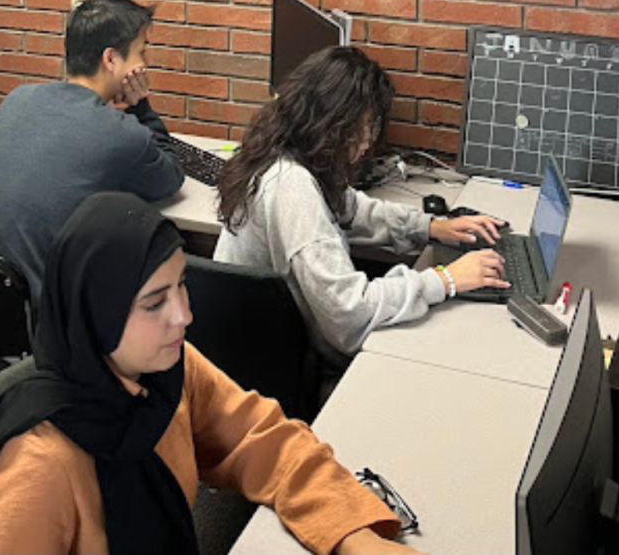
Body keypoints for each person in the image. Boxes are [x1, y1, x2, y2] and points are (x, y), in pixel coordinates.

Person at [0, 192, 423, 555]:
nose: (183, 315)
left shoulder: (165, 372)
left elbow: (264, 440)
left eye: (181, 285)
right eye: (154, 303)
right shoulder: (39, 469)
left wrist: (354, 536)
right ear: (97, 315)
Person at [214, 46, 509, 367]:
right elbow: (348, 314)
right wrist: (445, 280)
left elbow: (350, 208)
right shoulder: (292, 187)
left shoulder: (285, 150)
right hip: (273, 358)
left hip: (265, 338)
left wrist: (429, 227)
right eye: (364, 126)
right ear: (333, 120)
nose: (369, 140)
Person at [0, 0, 183, 305]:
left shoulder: (18, 99)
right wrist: (141, 108)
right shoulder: (121, 134)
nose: (144, 65)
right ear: (111, 59)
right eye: (141, 54)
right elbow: (170, 176)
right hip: (47, 323)